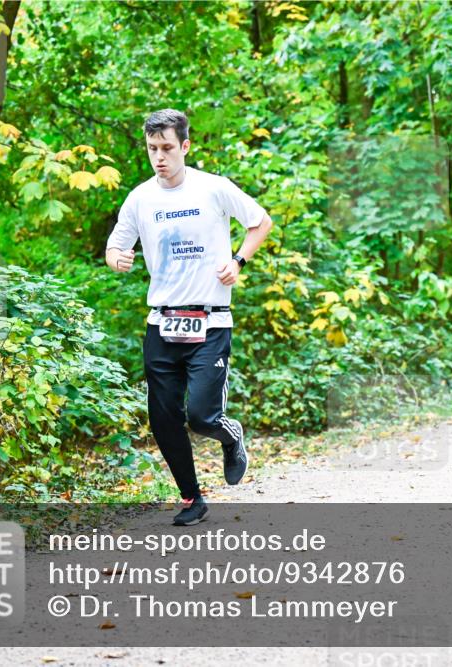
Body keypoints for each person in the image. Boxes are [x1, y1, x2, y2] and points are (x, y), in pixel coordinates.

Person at [105, 109, 273, 525]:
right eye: (151, 149)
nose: (159, 157)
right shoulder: (140, 198)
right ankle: (191, 498)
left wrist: (238, 261)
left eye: (166, 148)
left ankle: (230, 438)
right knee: (163, 418)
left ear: (184, 147)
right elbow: (115, 246)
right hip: (162, 322)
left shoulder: (212, 189)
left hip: (210, 321)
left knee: (200, 415)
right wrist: (118, 259)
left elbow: (260, 221)